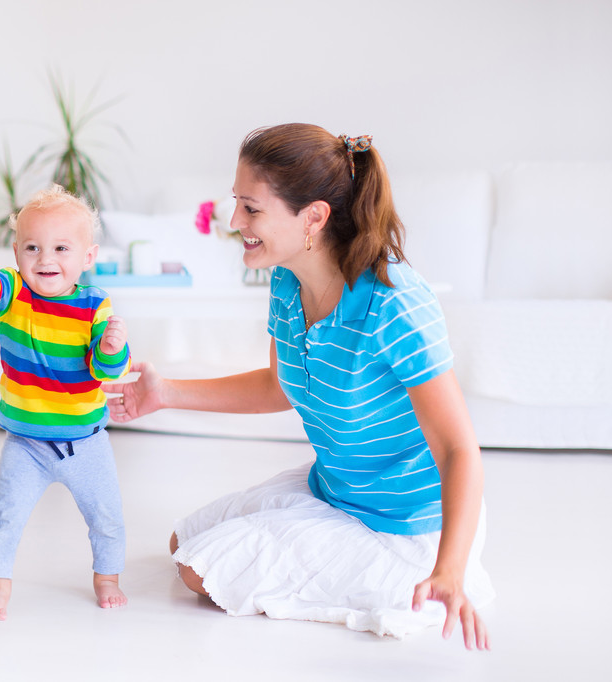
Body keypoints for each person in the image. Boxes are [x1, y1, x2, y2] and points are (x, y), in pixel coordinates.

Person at [104, 123, 495, 648]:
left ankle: (417, 582)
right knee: (183, 542)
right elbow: (279, 385)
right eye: (236, 203)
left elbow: (458, 450)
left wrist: (450, 567)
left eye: (252, 208)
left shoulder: (395, 304)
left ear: (313, 216)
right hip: (335, 492)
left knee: (198, 572)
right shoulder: (287, 279)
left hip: (406, 528)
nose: (235, 221)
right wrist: (165, 393)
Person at [0, 185, 131, 621]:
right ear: (16, 253)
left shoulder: (94, 305)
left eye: (61, 248)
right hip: (25, 444)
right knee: (5, 517)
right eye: (33, 247)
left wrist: (110, 346)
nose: (46, 259)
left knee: (107, 516)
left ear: (87, 257)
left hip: (85, 443)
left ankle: (107, 577)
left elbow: (107, 370)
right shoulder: (13, 294)